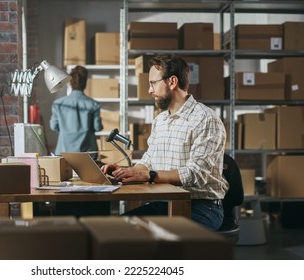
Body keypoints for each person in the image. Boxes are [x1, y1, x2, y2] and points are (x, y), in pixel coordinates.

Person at [101, 55, 228, 231]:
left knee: (148, 239)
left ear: (172, 82)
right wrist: (126, 172)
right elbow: (148, 162)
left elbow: (196, 175)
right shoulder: (160, 121)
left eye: (153, 83)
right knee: (113, 229)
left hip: (201, 207)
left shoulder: (205, 119)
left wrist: (149, 176)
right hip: (164, 203)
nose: (149, 90)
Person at [50, 65, 103, 156]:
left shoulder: (58, 104)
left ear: (70, 83)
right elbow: (98, 127)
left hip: (64, 151)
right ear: (85, 84)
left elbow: (54, 126)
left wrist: (66, 129)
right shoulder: (94, 104)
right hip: (88, 153)